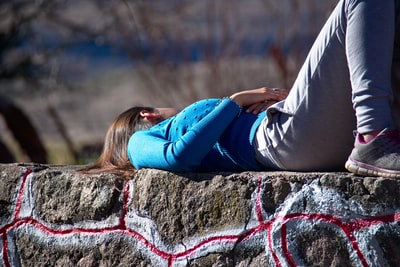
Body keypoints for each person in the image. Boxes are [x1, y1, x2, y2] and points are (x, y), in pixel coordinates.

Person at [81, 0, 400, 179]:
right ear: (147, 114)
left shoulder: (195, 127)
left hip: (298, 137)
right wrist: (235, 102)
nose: (168, 109)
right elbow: (178, 157)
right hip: (282, 142)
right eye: (159, 109)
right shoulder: (140, 141)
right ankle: (372, 137)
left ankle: (374, 134)